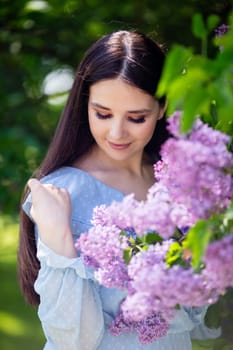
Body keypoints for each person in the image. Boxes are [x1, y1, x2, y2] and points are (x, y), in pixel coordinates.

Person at [18, 30, 219, 350]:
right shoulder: (64, 192)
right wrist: (61, 246)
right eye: (102, 113)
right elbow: (73, 339)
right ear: (85, 104)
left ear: (162, 106)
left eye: (137, 117)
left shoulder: (179, 184)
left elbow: (199, 321)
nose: (116, 132)